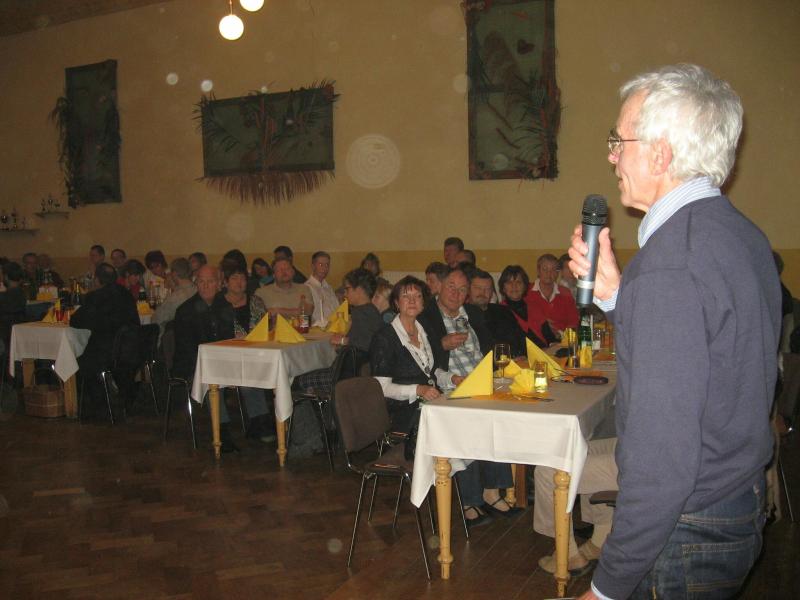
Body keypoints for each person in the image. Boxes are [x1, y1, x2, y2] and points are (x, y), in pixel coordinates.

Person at [568, 64, 780, 600]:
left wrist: (607, 587)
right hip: (735, 497)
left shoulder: (671, 265)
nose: (611, 157)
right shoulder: (738, 233)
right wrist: (619, 296)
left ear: (660, 154)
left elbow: (661, 459)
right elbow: (711, 356)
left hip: (687, 528)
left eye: (619, 141)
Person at [417, 267, 518, 526]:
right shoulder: (426, 317)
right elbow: (421, 359)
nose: (456, 293)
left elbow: (488, 348)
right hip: (448, 386)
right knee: (470, 421)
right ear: (440, 287)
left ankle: (492, 490)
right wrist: (442, 344)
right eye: (451, 287)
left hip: (480, 382)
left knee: (504, 411)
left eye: (462, 289)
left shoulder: (472, 313)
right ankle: (469, 499)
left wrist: (499, 372)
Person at [210, 261, 275, 445]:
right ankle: (223, 430)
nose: (239, 282)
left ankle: (259, 422)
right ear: (225, 282)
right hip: (225, 356)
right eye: (234, 278)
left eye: (243, 278)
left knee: (251, 375)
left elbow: (266, 328)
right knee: (218, 379)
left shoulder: (256, 301)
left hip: (255, 354)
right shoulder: (218, 303)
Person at [370, 276, 441, 434]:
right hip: (404, 414)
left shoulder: (426, 329)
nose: (412, 301)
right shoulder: (384, 338)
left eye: (418, 296)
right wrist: (418, 390)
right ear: (396, 303)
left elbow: (432, 370)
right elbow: (381, 388)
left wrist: (453, 378)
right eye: (406, 296)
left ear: (423, 303)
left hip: (431, 405)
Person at [295, 268, 384, 394]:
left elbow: (364, 344)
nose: (345, 294)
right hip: (357, 373)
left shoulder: (360, 313)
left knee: (296, 379)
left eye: (347, 289)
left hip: (343, 376)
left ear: (358, 290)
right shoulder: (372, 311)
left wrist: (343, 341)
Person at [71, 263, 139, 410]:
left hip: (107, 351)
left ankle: (94, 404)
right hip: (131, 349)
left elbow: (76, 321)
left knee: (75, 359)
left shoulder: (96, 297)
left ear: (97, 280)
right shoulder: (126, 294)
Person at [468, 269, 525, 358]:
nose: (482, 292)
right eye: (478, 288)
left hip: (517, 360)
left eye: (487, 289)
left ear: (492, 292)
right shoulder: (462, 315)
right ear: (468, 289)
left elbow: (522, 340)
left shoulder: (503, 311)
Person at [498, 265, 555, 347]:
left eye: (518, 282)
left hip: (545, 350)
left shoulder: (534, 306)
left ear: (524, 286)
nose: (514, 286)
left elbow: (549, 336)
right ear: (503, 288)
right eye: (509, 282)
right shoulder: (499, 311)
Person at [527, 253, 580, 338]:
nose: (549, 273)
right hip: (535, 340)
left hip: (561, 340)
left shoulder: (565, 293)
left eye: (553, 270)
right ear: (538, 271)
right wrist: (541, 324)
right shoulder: (527, 291)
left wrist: (561, 335)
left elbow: (573, 322)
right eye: (545, 269)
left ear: (558, 273)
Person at [152, 258, 196, 337]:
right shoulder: (197, 289)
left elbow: (156, 319)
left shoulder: (176, 297)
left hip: (176, 337)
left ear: (174, 274)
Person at [305, 251, 339, 328]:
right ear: (313, 266)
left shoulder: (328, 287)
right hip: (317, 328)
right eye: (321, 265)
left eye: (327, 265)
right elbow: (308, 315)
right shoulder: (306, 288)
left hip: (334, 327)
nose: (324, 268)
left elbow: (337, 309)